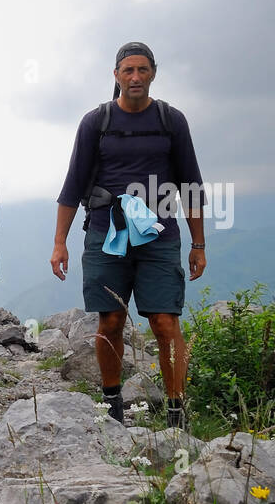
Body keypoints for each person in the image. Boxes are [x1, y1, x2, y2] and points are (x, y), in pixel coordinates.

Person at [50, 42, 208, 430]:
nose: (135, 77)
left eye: (142, 70)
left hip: (160, 234)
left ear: (153, 73)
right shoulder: (96, 122)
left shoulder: (171, 121)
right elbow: (72, 185)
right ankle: (112, 407)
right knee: (110, 322)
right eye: (127, 71)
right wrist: (59, 243)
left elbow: (191, 184)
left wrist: (199, 244)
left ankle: (176, 414)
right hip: (107, 233)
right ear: (116, 75)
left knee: (165, 323)